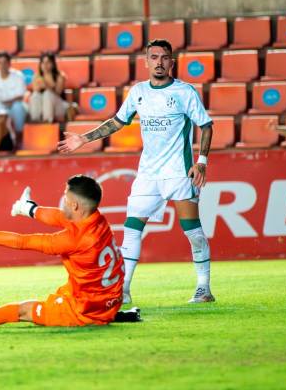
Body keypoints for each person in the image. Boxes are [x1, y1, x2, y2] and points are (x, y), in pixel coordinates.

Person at [58, 39, 215, 305]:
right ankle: (124, 289)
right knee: (132, 230)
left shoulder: (185, 92)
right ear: (146, 62)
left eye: (164, 58)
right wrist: (84, 139)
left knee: (192, 231)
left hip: (179, 172)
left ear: (171, 62)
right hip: (147, 174)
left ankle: (203, 287)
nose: (159, 62)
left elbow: (206, 125)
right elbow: (117, 122)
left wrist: (201, 161)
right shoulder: (139, 91)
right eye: (154, 57)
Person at [0, 176, 138, 327]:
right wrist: (30, 209)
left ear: (76, 206)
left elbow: (24, 241)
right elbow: (60, 217)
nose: (63, 202)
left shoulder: (75, 239)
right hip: (106, 298)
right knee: (65, 289)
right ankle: (110, 315)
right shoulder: (97, 219)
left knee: (21, 310)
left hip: (83, 310)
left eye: (66, 199)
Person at [28, 52, 77, 124]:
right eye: (43, 63)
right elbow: (36, 91)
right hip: (42, 108)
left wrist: (46, 85)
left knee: (47, 94)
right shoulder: (36, 76)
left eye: (48, 62)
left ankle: (47, 121)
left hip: (58, 107)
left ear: (53, 64)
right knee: (35, 95)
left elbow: (58, 93)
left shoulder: (60, 76)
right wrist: (39, 86)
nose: (45, 65)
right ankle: (35, 121)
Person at [0, 51, 27, 134]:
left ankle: (20, 134)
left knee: (17, 106)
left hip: (14, 107)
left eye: (5, 62)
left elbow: (20, 97)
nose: (2, 66)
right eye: (0, 63)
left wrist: (5, 103)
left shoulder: (18, 76)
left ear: (9, 63)